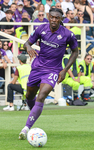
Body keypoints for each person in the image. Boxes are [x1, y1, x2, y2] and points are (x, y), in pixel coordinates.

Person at [18, 8, 78, 140]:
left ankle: (26, 128)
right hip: (37, 68)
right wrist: (28, 47)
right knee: (29, 95)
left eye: (57, 18)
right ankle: (33, 116)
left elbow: (75, 52)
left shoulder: (68, 34)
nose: (54, 20)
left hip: (53, 70)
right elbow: (27, 43)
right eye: (52, 17)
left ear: (61, 19)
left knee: (42, 96)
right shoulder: (41, 29)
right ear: (48, 17)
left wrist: (65, 69)